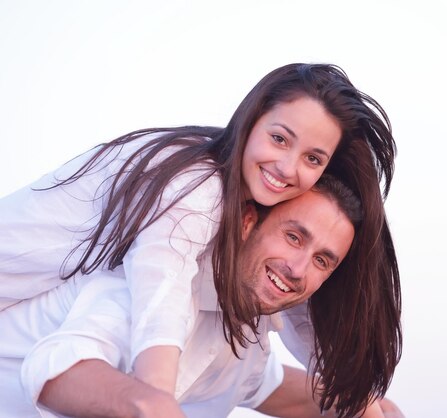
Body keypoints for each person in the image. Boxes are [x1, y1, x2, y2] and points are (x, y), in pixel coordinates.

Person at [0, 63, 401, 417]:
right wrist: (152, 401)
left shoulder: (241, 328)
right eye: (280, 138)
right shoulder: (196, 191)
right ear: (251, 121)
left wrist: (363, 405)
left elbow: (293, 338)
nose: (287, 166)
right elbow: (159, 293)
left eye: (312, 158)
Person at [0, 175, 396, 417]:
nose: (298, 268)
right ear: (246, 224)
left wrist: (364, 407)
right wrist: (147, 405)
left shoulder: (248, 336)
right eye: (294, 237)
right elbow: (52, 367)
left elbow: (271, 389)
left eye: (322, 261)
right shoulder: (157, 286)